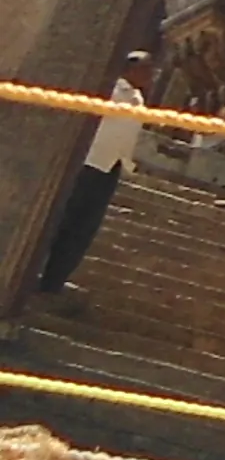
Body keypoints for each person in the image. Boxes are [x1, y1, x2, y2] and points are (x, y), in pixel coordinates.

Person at [35, 53, 155, 294]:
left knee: (84, 228)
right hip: (89, 161)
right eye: (146, 70)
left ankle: (54, 280)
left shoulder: (137, 99)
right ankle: (36, 271)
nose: (150, 76)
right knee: (64, 220)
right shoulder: (109, 90)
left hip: (110, 167)